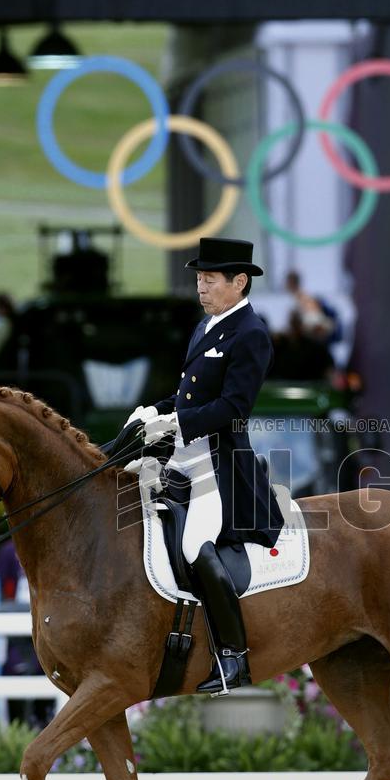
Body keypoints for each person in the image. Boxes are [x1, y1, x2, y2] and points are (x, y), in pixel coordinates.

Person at [127, 237, 284, 695]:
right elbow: (187, 396)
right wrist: (154, 411)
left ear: (239, 282)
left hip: (217, 463)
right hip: (183, 454)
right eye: (198, 278)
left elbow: (234, 407)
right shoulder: (207, 326)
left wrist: (176, 421)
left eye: (209, 279)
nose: (201, 286)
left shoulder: (251, 334)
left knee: (196, 544)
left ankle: (234, 657)